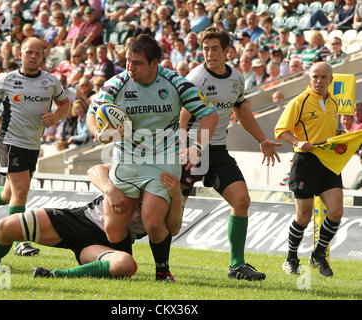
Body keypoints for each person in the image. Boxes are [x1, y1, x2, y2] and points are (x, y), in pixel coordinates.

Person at [86, 34, 218, 282]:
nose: (129, 68)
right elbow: (93, 114)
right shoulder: (116, 84)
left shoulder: (176, 83)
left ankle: (162, 271)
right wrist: (100, 134)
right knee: (114, 225)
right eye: (127, 61)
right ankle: (124, 267)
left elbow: (209, 115)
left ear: (154, 63)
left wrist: (197, 147)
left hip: (164, 158)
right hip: (127, 158)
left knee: (153, 220)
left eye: (136, 63)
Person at [0, 164, 183, 280]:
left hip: (111, 243)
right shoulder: (136, 164)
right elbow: (95, 170)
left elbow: (173, 228)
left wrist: (174, 195)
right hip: (80, 219)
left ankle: (55, 274)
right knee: (4, 227)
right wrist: (110, 190)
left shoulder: (170, 187)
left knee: (124, 264)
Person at [180, 27, 281, 281]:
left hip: (216, 150)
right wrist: (183, 150)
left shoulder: (236, 78)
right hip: (190, 148)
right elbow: (182, 118)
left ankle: (237, 266)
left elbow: (242, 110)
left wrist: (262, 139)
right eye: (205, 49)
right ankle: (152, 263)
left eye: (215, 49)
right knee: (170, 217)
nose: (209, 54)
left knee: (242, 200)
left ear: (227, 51)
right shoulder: (196, 79)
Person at [0, 37, 71, 257]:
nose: (32, 57)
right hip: (10, 141)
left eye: (37, 53)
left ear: (43, 56)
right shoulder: (7, 79)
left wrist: (56, 116)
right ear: (20, 54)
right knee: (21, 190)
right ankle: (18, 242)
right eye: (28, 52)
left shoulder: (50, 81)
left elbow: (65, 103)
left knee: (9, 193)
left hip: (33, 144)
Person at [274, 62, 343, 277]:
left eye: (323, 77)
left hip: (328, 163)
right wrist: (297, 142)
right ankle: (291, 258)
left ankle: (318, 254)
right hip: (305, 163)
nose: (319, 81)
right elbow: (281, 130)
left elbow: (328, 129)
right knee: (303, 217)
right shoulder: (299, 102)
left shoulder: (332, 102)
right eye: (315, 77)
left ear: (331, 80)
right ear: (309, 78)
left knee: (336, 212)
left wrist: (340, 132)